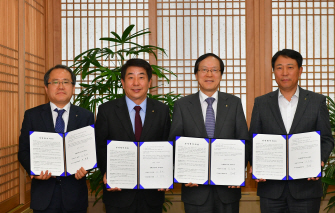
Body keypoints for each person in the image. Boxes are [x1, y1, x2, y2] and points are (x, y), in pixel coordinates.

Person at [249, 49, 334, 213]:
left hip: (306, 188)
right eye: (279, 67)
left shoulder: (317, 102)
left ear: (300, 70)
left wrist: (319, 160)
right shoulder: (261, 103)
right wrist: (256, 163)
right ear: (274, 72)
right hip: (271, 188)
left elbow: (326, 139)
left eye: (290, 67)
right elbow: (254, 140)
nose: (284, 73)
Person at [168, 53, 249, 213]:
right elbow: (175, 143)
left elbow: (243, 141)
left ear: (221, 74)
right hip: (195, 189)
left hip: (228, 188)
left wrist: (238, 172)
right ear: (196, 74)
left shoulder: (234, 103)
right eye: (204, 70)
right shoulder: (182, 105)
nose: (209, 74)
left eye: (214, 70)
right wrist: (183, 173)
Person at [95, 58, 171, 213]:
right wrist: (107, 172)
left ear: (149, 82)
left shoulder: (162, 110)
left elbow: (167, 144)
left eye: (141, 77)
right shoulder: (106, 110)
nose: (136, 83)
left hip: (152, 193)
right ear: (122, 82)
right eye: (131, 77)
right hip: (118, 192)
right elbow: (100, 145)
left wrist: (166, 174)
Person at [18, 65, 94, 213]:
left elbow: (91, 150)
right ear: (46, 88)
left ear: (73, 87)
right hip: (43, 196)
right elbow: (23, 151)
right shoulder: (32, 115)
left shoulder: (86, 116)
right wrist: (34, 171)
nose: (60, 86)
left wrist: (86, 168)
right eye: (55, 82)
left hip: (75, 196)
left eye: (66, 82)